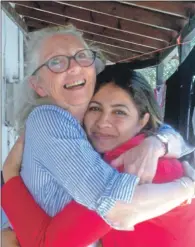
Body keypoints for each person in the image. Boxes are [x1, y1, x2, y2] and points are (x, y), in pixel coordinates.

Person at [2, 65, 195, 247]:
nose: (103, 122)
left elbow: (47, 244)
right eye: (95, 108)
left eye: (119, 112)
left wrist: (10, 175)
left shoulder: (136, 168)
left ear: (142, 121)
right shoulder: (127, 154)